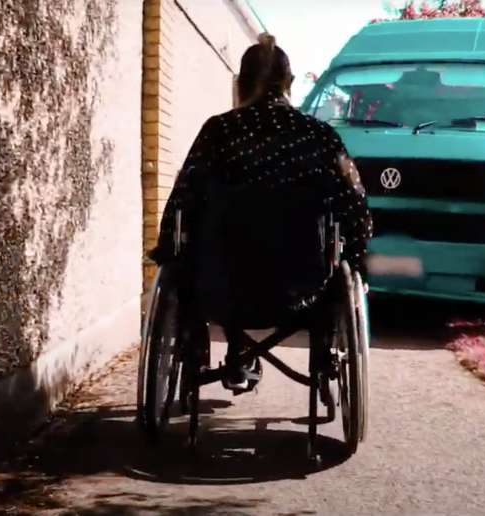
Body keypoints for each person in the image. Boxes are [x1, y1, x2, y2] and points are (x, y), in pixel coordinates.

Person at [148, 32, 373, 392]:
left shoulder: (218, 131)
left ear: (241, 82)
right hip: (301, 287)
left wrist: (165, 251)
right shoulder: (318, 136)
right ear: (289, 83)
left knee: (209, 250)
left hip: (218, 286)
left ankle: (231, 350)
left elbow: (182, 198)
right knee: (334, 265)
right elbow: (355, 202)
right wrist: (359, 256)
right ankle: (312, 356)